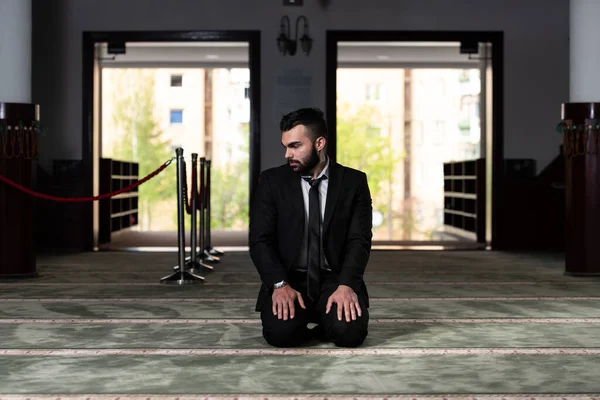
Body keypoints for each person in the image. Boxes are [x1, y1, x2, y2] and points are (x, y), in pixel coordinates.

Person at [249, 107, 373, 348]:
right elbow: (260, 241)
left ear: (319, 143)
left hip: (334, 278)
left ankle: (326, 322)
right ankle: (312, 324)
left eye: (295, 146)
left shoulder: (353, 182)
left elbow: (359, 240)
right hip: (289, 279)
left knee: (350, 334)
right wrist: (278, 285)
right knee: (279, 334)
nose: (287, 154)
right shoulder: (272, 181)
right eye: (285, 146)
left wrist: (347, 285)